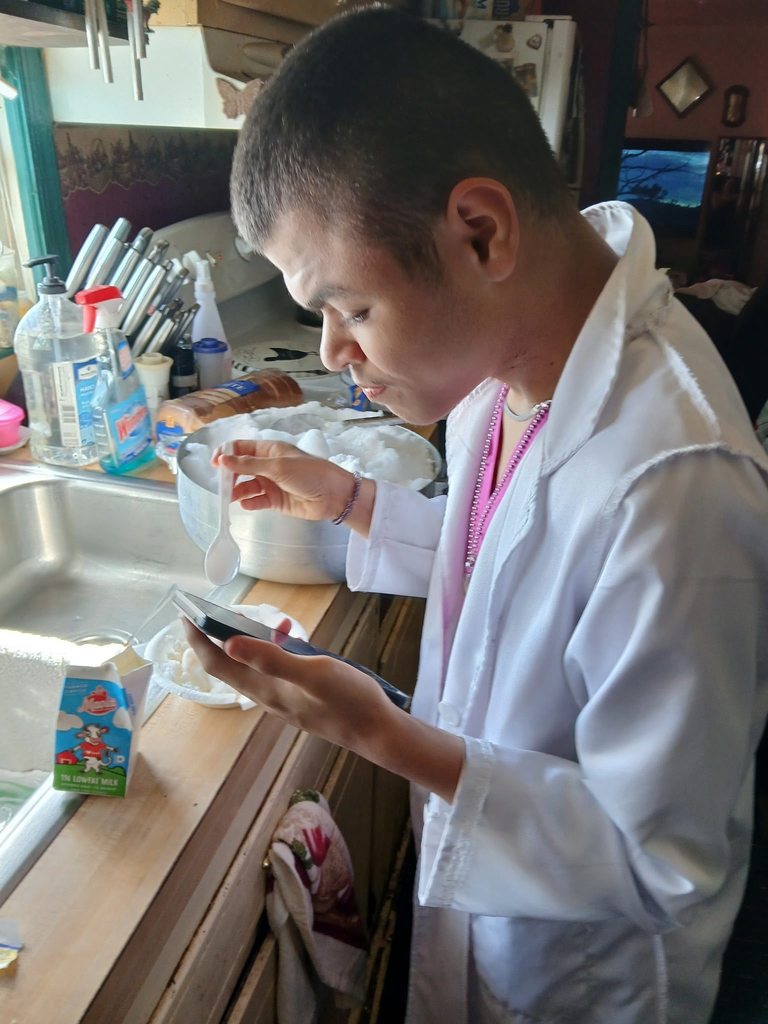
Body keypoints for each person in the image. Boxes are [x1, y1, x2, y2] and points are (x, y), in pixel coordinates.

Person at [182, 7, 768, 1023]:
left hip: (584, 978)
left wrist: (385, 733)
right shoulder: (508, 368)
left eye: (350, 307)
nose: (330, 352)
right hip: (497, 927)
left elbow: (660, 858)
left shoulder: (678, 482)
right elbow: (515, 569)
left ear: (479, 231)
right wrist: (356, 501)